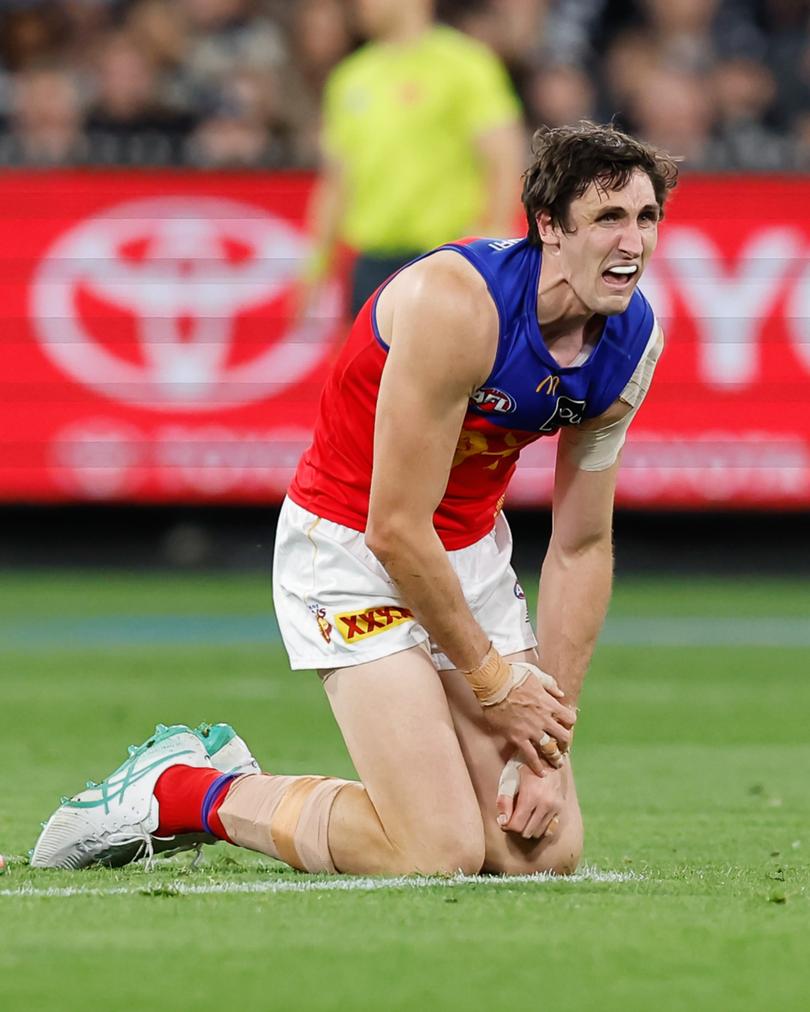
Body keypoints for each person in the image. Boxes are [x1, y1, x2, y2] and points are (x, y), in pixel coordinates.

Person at [32, 122, 678, 877]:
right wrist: (498, 685)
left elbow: (580, 545)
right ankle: (184, 790)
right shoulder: (456, 306)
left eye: (646, 218)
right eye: (608, 218)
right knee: (435, 854)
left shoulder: (634, 344)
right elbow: (394, 527)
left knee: (541, 850)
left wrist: (549, 736)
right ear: (548, 228)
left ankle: (319, 792)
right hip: (348, 550)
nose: (632, 241)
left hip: (466, 555)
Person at [298, 0, 525, 318]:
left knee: (446, 366)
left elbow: (504, 158)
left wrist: (494, 238)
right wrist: (314, 270)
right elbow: (336, 182)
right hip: (371, 264)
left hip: (444, 258)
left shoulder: (465, 65)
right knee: (372, 368)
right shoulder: (349, 79)